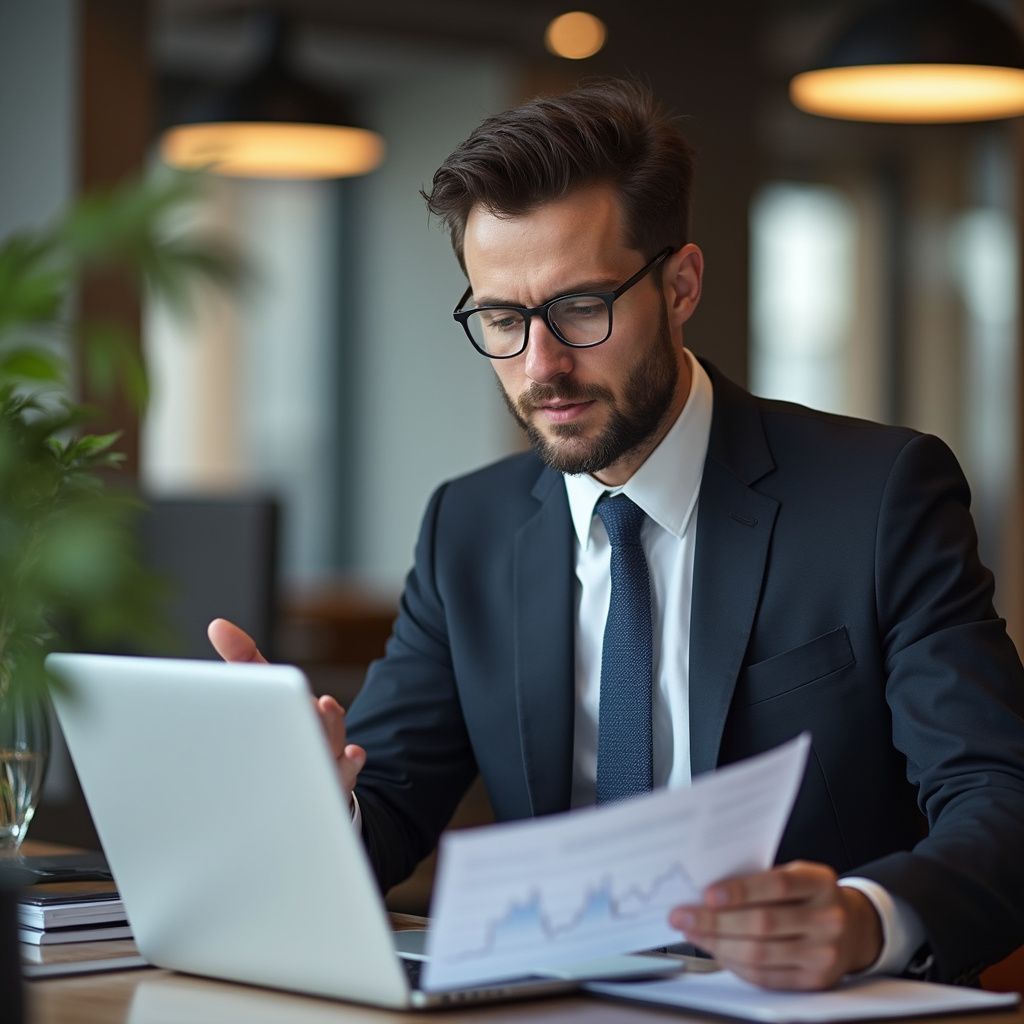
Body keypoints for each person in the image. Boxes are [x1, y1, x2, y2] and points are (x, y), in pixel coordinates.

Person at [209, 79, 1024, 991]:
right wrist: (318, 806)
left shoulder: (876, 496)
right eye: (503, 320)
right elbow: (390, 808)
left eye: (581, 308)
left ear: (680, 285)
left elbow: (1000, 797)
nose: (541, 366)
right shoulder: (467, 528)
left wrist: (865, 919)